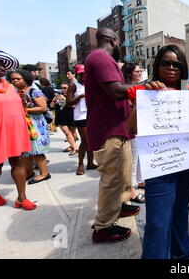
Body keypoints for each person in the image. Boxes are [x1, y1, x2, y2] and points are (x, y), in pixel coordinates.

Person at [127, 45, 189, 259]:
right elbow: (130, 128)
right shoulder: (147, 91)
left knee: (180, 212)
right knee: (158, 221)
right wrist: (145, 98)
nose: (172, 67)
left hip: (186, 163)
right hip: (158, 166)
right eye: (166, 63)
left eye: (177, 64)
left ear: (183, 68)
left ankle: (182, 252)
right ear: (158, 66)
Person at [84, 28, 140, 243]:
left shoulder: (101, 59)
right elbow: (116, 90)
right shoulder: (101, 58)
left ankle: (121, 206)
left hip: (117, 128)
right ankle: (103, 227)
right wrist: (143, 87)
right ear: (113, 40)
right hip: (109, 131)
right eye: (119, 42)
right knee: (112, 179)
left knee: (123, 174)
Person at [0, 50, 36, 210]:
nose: (2, 67)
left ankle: (22, 198)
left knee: (18, 161)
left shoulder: (10, 86)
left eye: (3, 64)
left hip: (15, 131)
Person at [7, 69, 51, 185]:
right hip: (22, 125)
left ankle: (44, 173)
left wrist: (24, 110)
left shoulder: (33, 91)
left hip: (36, 125)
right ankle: (29, 172)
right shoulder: (15, 92)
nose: (15, 81)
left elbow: (43, 108)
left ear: (26, 79)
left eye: (18, 78)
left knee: (37, 150)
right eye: (12, 79)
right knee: (26, 151)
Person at [66, 64, 97, 176]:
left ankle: (90, 163)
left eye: (85, 74)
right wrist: (80, 97)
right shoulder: (73, 86)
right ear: (77, 74)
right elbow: (68, 103)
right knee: (85, 140)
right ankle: (80, 164)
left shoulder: (91, 84)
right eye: (81, 74)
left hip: (92, 114)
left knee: (91, 140)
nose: (84, 76)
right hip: (80, 116)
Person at [122, 63, 146, 204]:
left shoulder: (141, 87)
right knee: (133, 158)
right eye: (137, 71)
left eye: (140, 70)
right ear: (130, 73)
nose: (140, 73)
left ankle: (141, 180)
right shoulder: (125, 89)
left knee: (141, 155)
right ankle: (131, 190)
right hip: (132, 127)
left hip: (142, 126)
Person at [51, 83, 78, 155]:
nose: (63, 89)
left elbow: (73, 106)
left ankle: (72, 146)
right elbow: (51, 106)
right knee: (67, 133)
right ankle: (75, 148)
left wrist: (64, 99)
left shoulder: (73, 96)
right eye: (62, 88)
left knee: (74, 133)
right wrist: (54, 99)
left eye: (65, 88)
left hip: (70, 116)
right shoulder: (58, 96)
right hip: (61, 117)